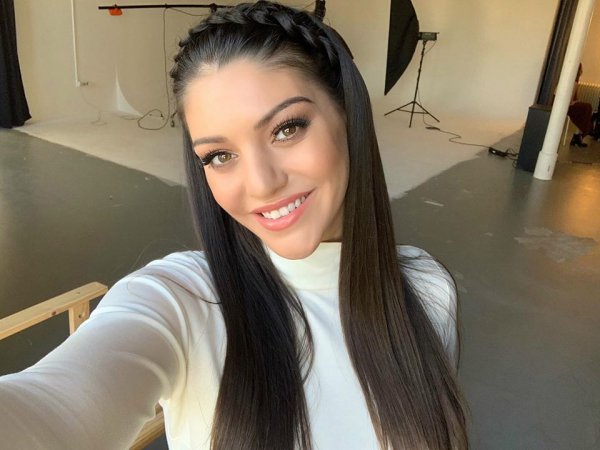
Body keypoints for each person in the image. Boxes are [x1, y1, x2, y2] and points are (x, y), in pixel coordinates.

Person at [0, 2, 469, 449]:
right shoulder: (181, 301)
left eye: (286, 128)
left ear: (347, 114)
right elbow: (49, 411)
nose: (262, 184)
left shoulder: (428, 289)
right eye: (220, 156)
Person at [568, 64, 597, 148]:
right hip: (569, 106)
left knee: (586, 109)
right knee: (587, 108)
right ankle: (583, 132)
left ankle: (580, 134)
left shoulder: (571, 80)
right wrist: (574, 102)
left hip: (568, 105)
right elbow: (570, 100)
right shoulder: (574, 82)